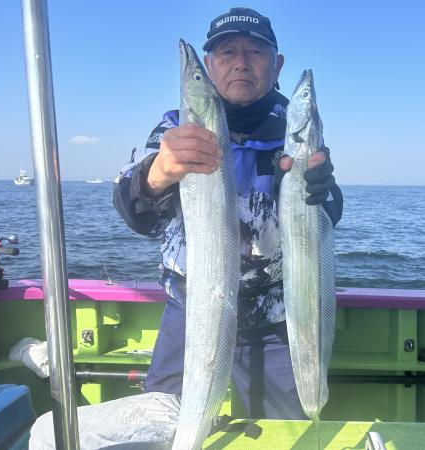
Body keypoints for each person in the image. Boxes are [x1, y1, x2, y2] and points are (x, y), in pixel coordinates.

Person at [113, 6, 343, 420]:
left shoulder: (295, 129)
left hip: (274, 318)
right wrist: (158, 172)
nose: (240, 63)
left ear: (277, 65)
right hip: (191, 313)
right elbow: (135, 214)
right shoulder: (174, 129)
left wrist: (320, 190)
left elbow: (328, 213)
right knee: (161, 425)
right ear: (209, 65)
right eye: (226, 53)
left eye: (255, 52)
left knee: (283, 437)